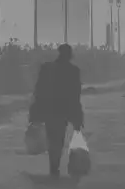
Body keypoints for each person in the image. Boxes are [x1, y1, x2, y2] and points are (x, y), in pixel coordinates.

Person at [28, 44, 84, 178]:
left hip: (49, 109)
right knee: (58, 139)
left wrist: (35, 110)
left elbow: (38, 90)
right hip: (63, 110)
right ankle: (54, 165)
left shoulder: (47, 68)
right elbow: (76, 95)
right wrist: (78, 117)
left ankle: (53, 165)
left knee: (52, 137)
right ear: (70, 55)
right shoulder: (73, 71)